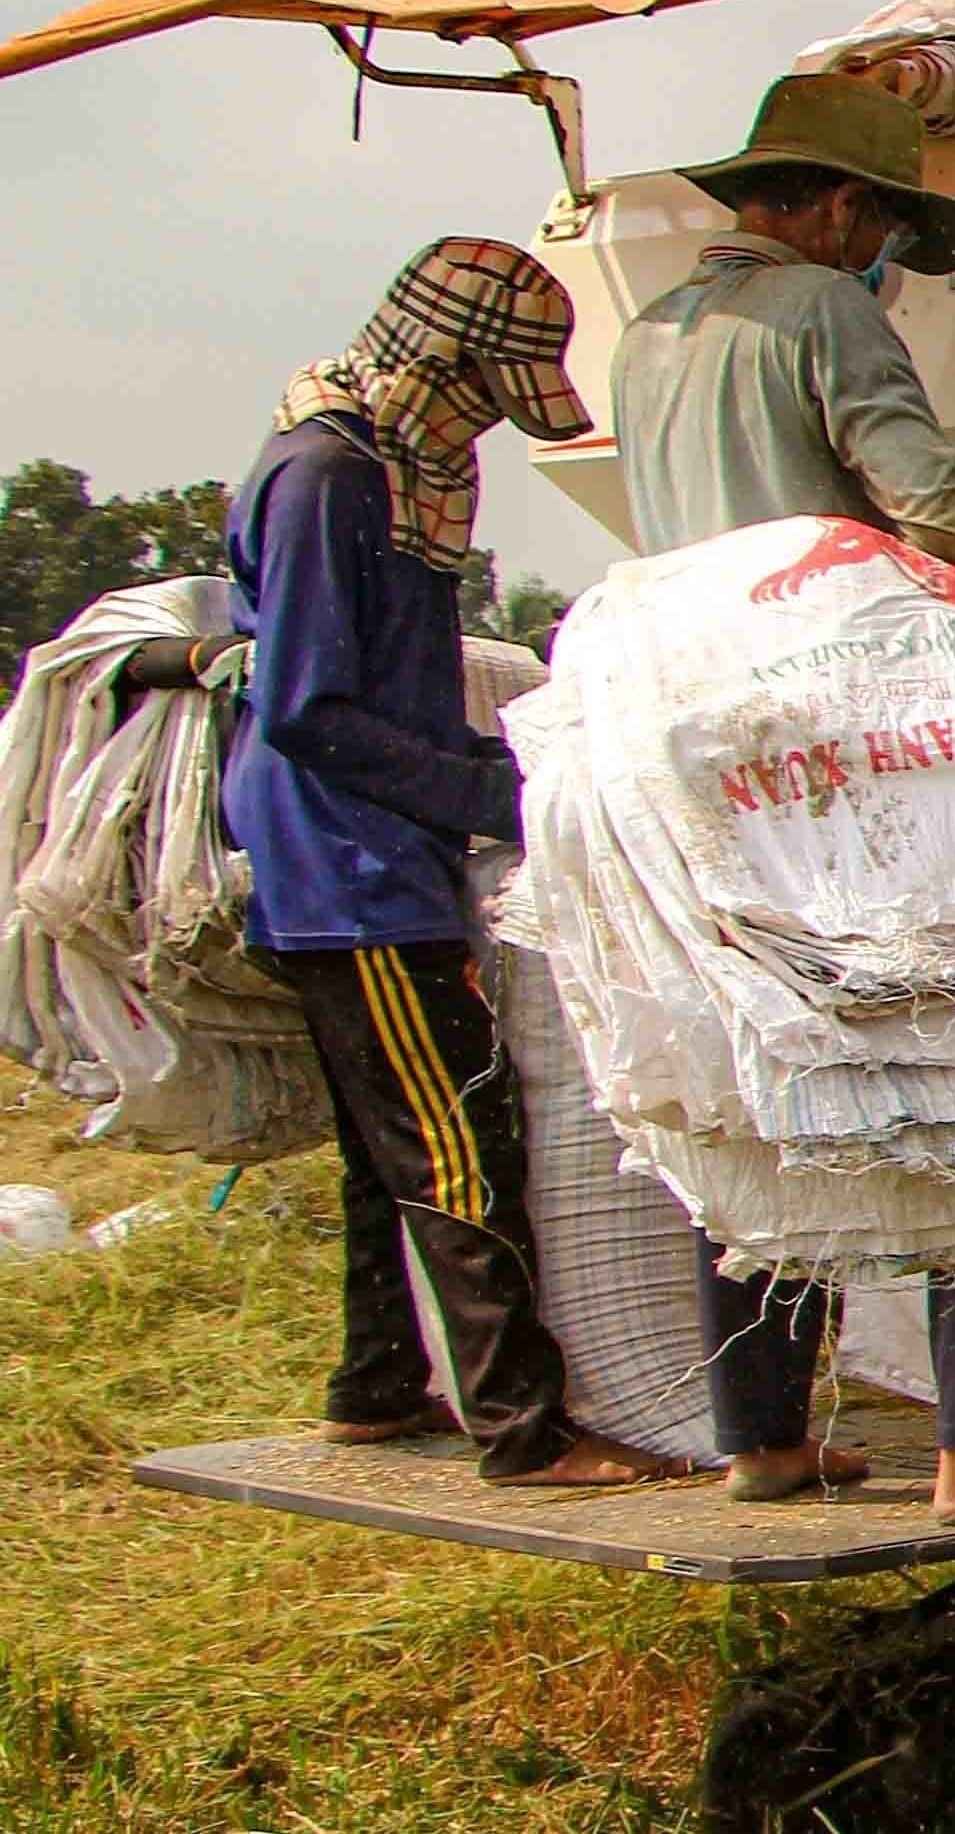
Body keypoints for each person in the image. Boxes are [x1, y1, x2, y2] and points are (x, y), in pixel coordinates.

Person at [610, 74, 955, 1528]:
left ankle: (762, 1438)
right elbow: (934, 508)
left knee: (759, 1094)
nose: (886, 255)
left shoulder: (651, 337)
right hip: (844, 745)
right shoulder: (821, 311)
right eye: (887, 227)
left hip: (704, 749)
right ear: (843, 207)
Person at [206, 239, 674, 1490]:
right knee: (459, 1142)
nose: (485, 431)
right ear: (439, 365)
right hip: (349, 863)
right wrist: (488, 794)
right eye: (483, 397)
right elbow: (308, 707)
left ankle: (375, 1387)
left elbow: (379, 694)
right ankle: (525, 1430)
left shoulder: (368, 469)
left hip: (355, 843)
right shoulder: (332, 477)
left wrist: (517, 759)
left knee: (384, 1151)